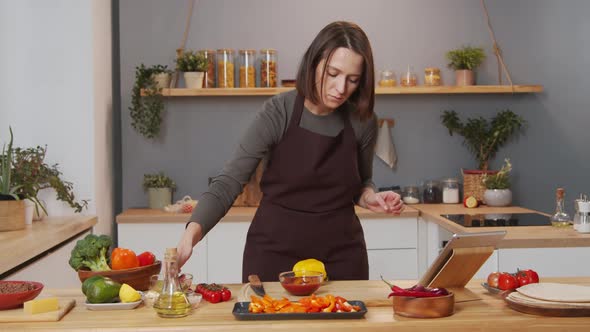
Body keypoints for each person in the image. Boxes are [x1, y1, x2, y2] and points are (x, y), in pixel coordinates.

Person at [177, 21, 404, 282]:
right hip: (273, 253)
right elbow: (229, 182)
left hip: (342, 255)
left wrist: (369, 197)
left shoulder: (363, 121)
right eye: (333, 73)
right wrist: (190, 236)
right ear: (314, 63)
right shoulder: (278, 111)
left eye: (352, 80)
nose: (341, 88)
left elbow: (361, 183)